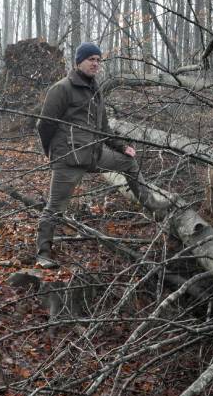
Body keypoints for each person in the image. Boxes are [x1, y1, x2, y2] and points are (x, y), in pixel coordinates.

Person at [35, 42, 168, 268]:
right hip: (69, 159)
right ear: (78, 62)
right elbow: (44, 125)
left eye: (98, 60)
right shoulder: (62, 88)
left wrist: (121, 147)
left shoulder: (95, 89)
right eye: (91, 59)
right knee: (55, 207)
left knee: (128, 162)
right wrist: (51, 153)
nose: (95, 64)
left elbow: (103, 128)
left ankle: (152, 206)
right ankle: (43, 253)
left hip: (95, 154)